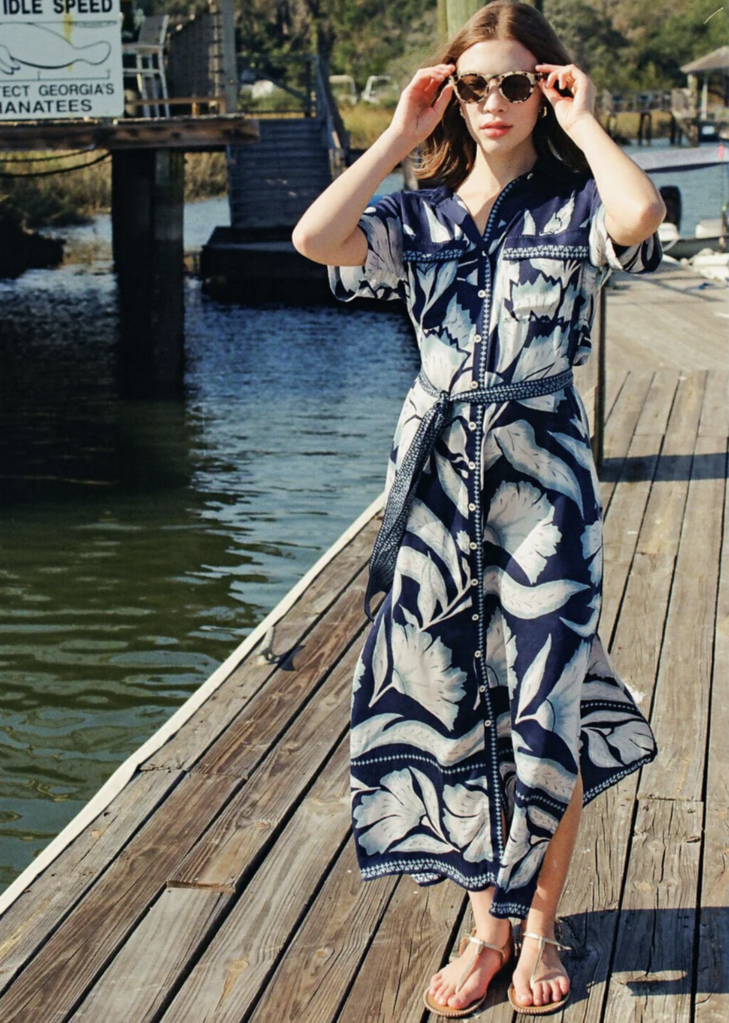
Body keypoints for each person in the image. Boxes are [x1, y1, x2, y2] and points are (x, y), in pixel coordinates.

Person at [292, 1, 664, 1016]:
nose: (493, 101)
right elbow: (316, 238)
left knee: (546, 707)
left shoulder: (574, 205)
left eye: (516, 83)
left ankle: (536, 926)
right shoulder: (415, 216)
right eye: (473, 85)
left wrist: (583, 120)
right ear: (451, 94)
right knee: (454, 706)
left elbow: (638, 217)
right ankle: (485, 926)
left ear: (545, 87)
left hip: (544, 489)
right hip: (431, 492)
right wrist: (398, 135)